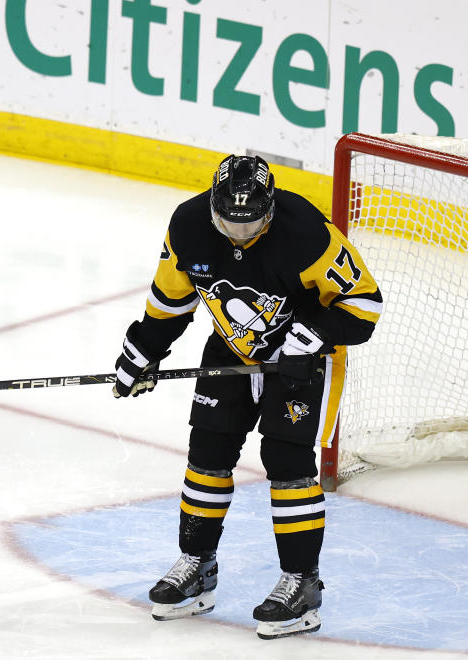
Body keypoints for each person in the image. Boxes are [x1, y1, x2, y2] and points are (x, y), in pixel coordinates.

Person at [112, 155, 381, 639]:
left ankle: (302, 583)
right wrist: (142, 350)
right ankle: (198, 565)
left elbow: (364, 305)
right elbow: (171, 301)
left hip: (299, 359)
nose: (238, 233)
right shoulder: (189, 225)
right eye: (228, 223)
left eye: (251, 223)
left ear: (270, 210)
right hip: (231, 349)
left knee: (287, 460)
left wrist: (312, 334)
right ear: (212, 207)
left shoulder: (306, 233)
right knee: (207, 454)